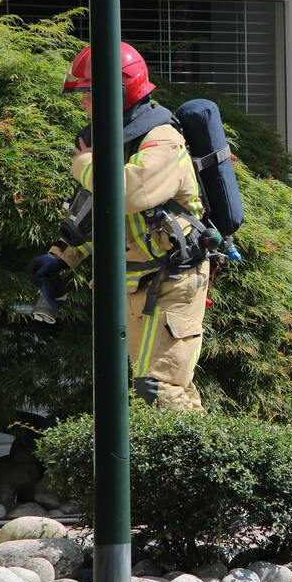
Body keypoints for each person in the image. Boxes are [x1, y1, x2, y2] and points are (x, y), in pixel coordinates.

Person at [29, 42, 209, 412]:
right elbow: (97, 213)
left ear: (115, 90)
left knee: (159, 389)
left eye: (88, 94)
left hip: (173, 280)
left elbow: (128, 192)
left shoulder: (162, 139)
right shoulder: (117, 144)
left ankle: (181, 467)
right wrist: (62, 258)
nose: (83, 105)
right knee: (155, 390)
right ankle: (186, 462)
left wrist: (84, 163)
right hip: (138, 282)